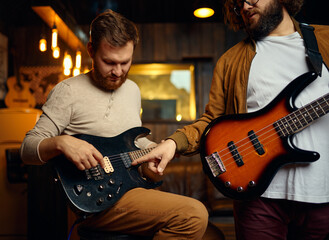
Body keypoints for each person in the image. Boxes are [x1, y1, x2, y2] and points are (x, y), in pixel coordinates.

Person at [133, 0, 329, 239]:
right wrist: (173, 143)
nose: (245, 6)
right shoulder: (231, 60)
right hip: (258, 198)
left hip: (323, 194)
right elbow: (212, 120)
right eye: (238, 4)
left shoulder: (324, 38)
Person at [20, 9, 209, 240]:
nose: (117, 72)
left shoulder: (133, 90)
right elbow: (27, 149)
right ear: (91, 50)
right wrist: (62, 143)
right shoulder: (67, 91)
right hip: (93, 199)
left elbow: (133, 142)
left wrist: (152, 157)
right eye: (108, 62)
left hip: (127, 190)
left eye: (125, 62)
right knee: (194, 215)